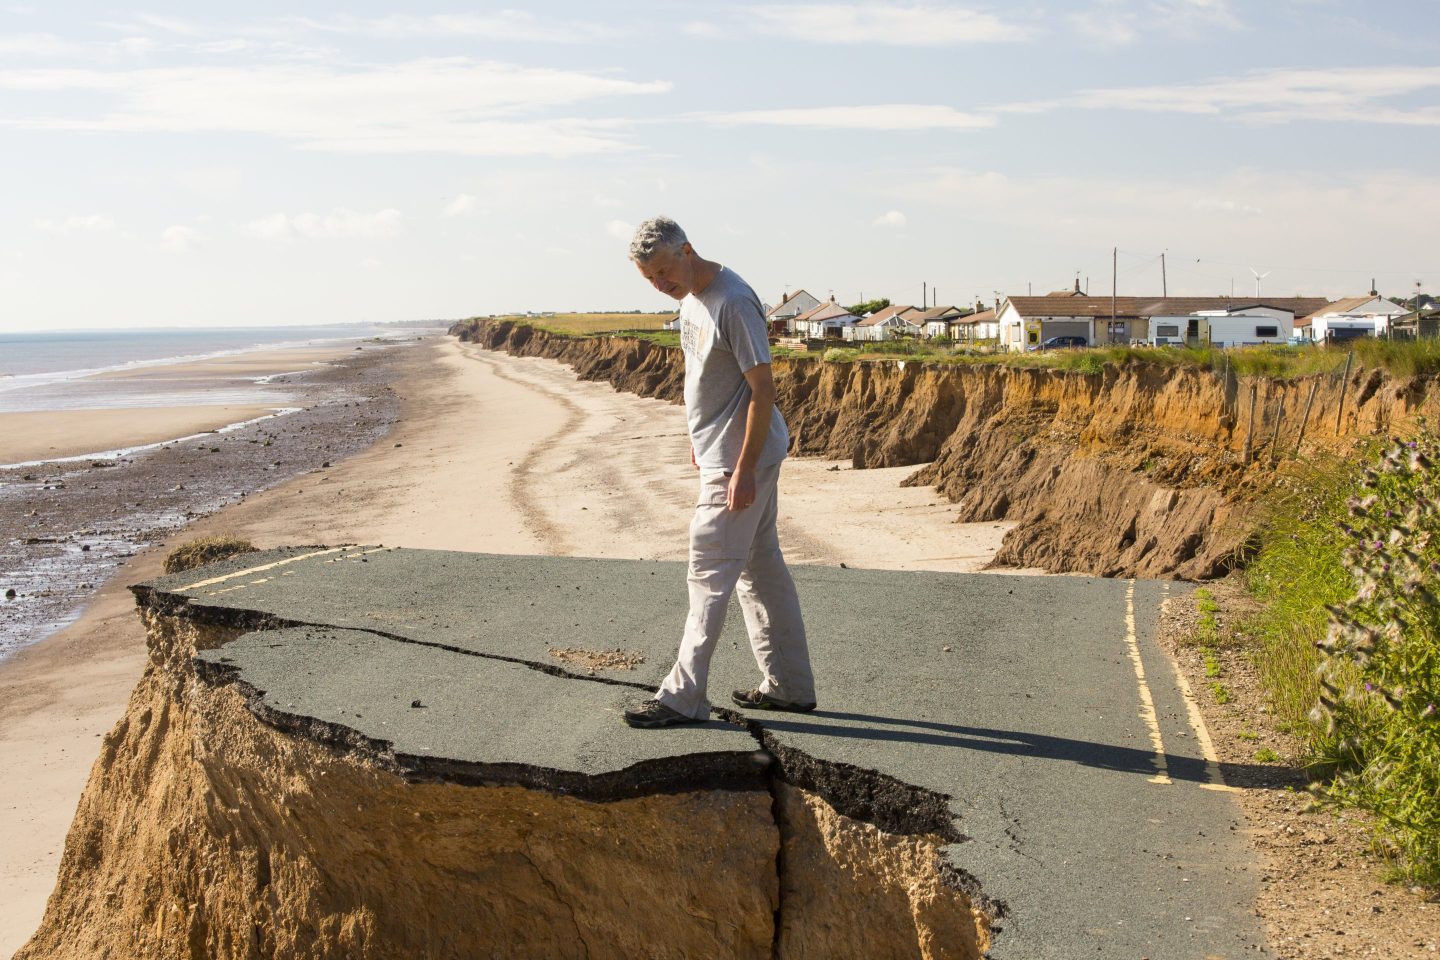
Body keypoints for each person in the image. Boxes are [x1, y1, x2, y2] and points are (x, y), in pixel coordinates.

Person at [622, 216, 817, 728]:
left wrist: (743, 468)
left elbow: (763, 390)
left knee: (708, 572)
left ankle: (682, 697)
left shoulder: (732, 301)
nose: (661, 285)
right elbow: (704, 377)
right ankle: (790, 687)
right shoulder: (689, 299)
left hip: (740, 460)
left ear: (687, 250)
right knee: (760, 566)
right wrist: (698, 439)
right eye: (650, 280)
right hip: (720, 453)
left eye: (664, 271)